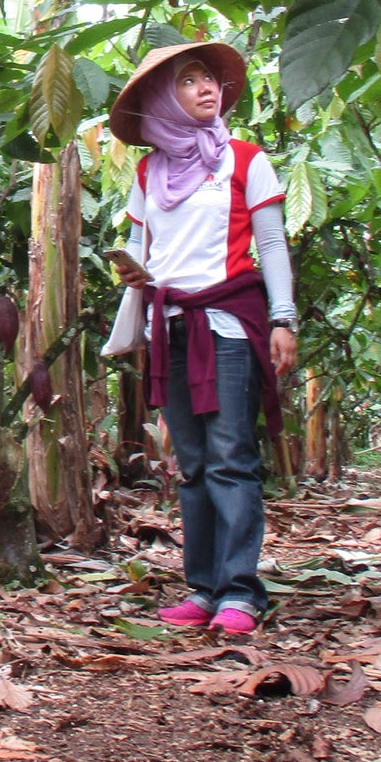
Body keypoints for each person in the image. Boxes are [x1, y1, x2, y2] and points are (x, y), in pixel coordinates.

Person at [99, 40, 297, 637]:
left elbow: (272, 244)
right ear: (164, 99)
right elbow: (140, 247)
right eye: (188, 81)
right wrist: (130, 270)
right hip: (170, 326)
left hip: (230, 326)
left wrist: (283, 319)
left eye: (209, 78)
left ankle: (242, 592)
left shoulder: (245, 159)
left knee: (232, 458)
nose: (207, 88)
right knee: (191, 464)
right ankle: (204, 590)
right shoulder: (148, 171)